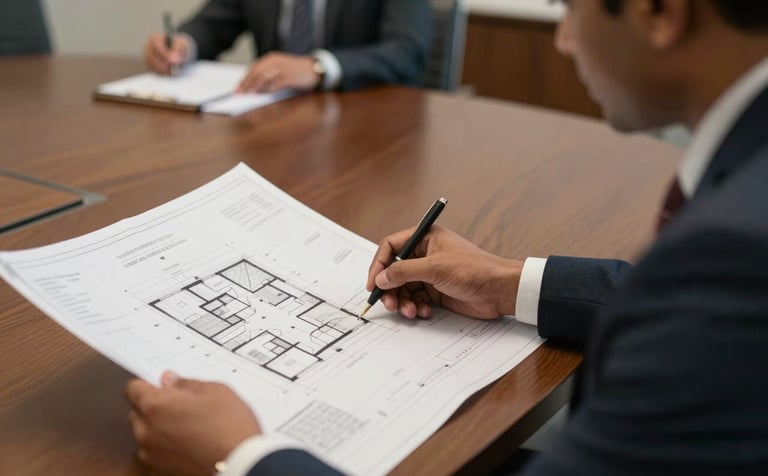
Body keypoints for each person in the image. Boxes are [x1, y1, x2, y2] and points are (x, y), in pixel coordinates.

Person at [125, 1, 768, 475]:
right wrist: (508, 283)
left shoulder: (732, 253)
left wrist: (244, 456)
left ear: (660, 12)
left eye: (568, 7)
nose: (565, 41)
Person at [142, 0, 431, 94]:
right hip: (269, 121)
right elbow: (213, 24)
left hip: (365, 130)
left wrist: (318, 67)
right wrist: (181, 45)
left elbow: (407, 50)